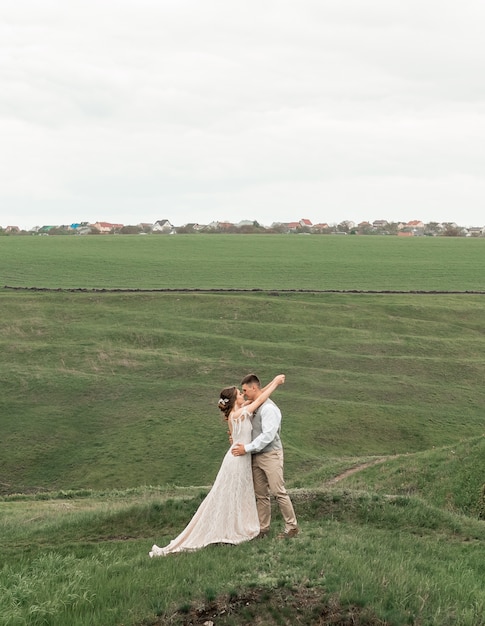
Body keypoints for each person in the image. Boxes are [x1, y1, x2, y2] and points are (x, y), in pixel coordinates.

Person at [149, 374, 286, 556]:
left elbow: (258, 394)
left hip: (239, 457)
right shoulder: (239, 413)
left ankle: (236, 525)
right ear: (233, 399)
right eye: (239, 393)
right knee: (231, 493)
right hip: (237, 459)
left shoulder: (237, 410)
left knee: (237, 494)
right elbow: (261, 397)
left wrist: (269, 384)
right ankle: (231, 528)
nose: (243, 395)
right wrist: (276, 382)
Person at [232, 373, 299, 539]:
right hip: (255, 456)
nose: (244, 393)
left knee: (278, 491)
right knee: (261, 495)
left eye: (245, 390)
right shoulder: (254, 405)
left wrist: (246, 448)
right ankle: (263, 529)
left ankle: (292, 527)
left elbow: (268, 435)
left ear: (254, 387)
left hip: (271, 455)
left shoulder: (269, 408)